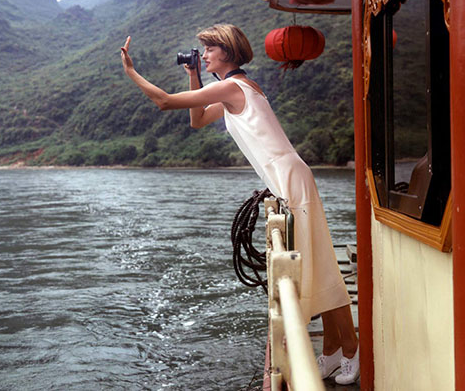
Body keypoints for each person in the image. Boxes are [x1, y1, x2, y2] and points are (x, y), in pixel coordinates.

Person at [119, 24, 360, 385]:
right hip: (284, 180)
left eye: (209, 50)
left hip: (290, 179)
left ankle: (352, 348)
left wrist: (131, 72)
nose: (202, 55)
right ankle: (331, 351)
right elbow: (197, 121)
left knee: (321, 267)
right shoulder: (232, 89)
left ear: (228, 52)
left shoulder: (233, 87)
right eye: (202, 50)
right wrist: (195, 77)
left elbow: (163, 101)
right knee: (315, 265)